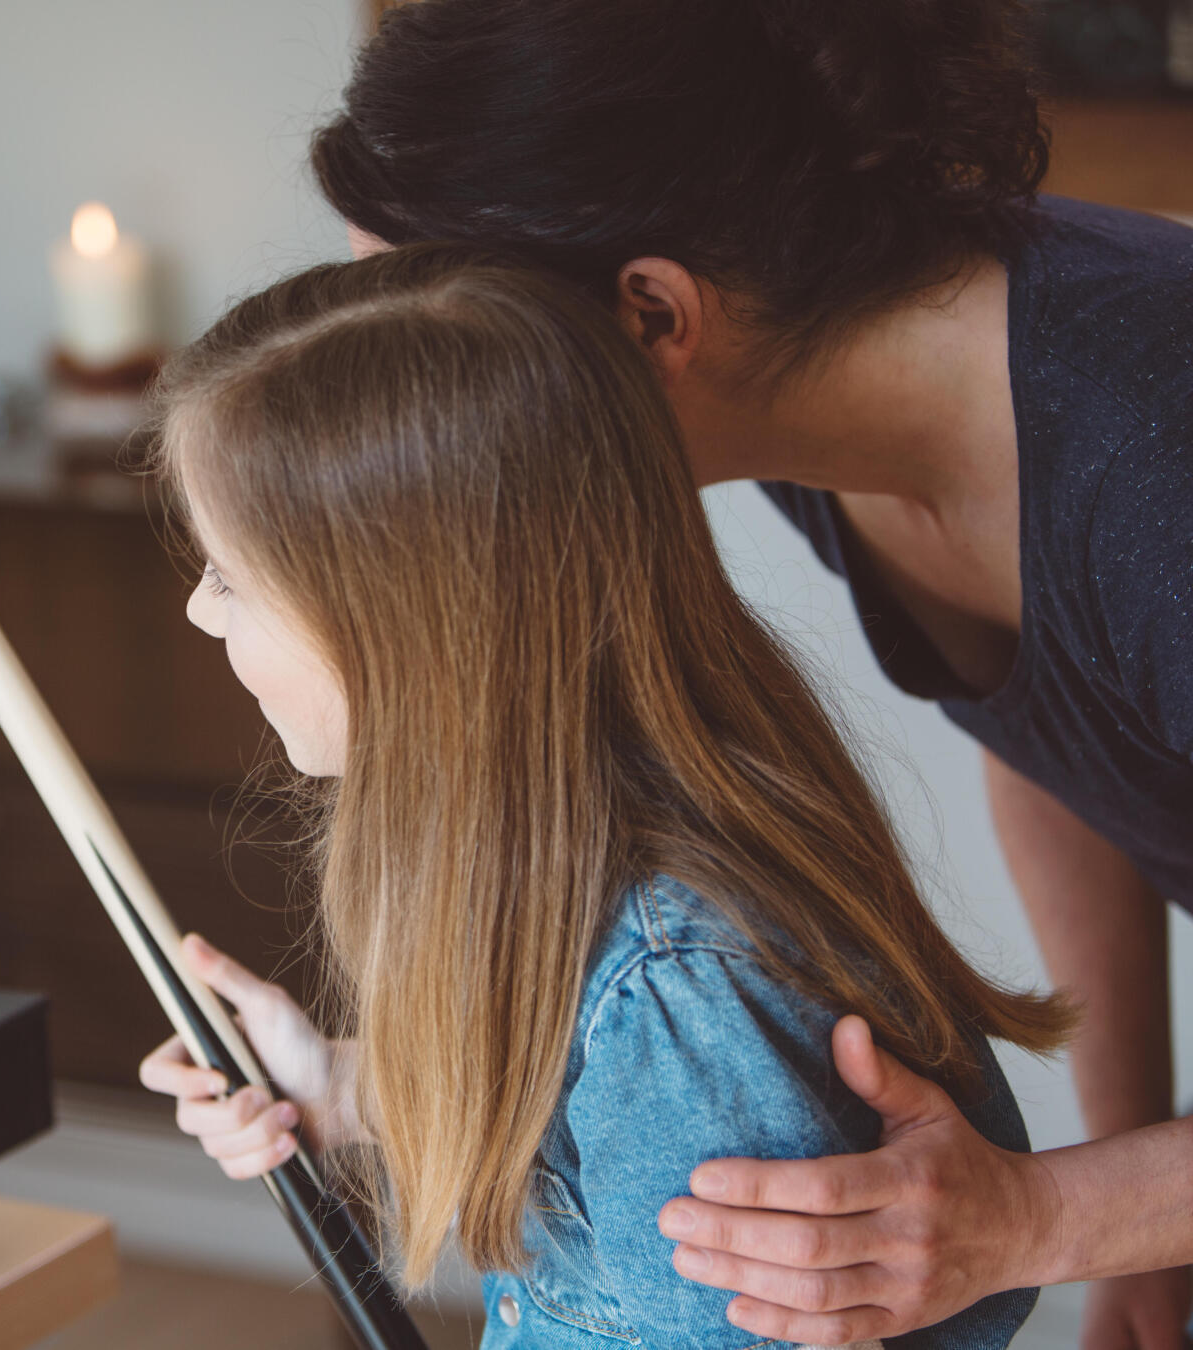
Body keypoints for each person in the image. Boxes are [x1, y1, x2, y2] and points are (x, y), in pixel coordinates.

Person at [304, 2, 1193, 1345]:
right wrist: (1144, 1227)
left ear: (655, 310)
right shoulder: (819, 408)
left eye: (445, 360)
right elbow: (1058, 741)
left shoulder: (1154, 456)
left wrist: (1046, 1218)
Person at [137, 241, 1070, 1348]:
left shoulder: (677, 998)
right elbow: (581, 1109)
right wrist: (342, 1092)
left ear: (405, 629)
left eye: (232, 576)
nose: (201, 612)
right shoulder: (574, 879)